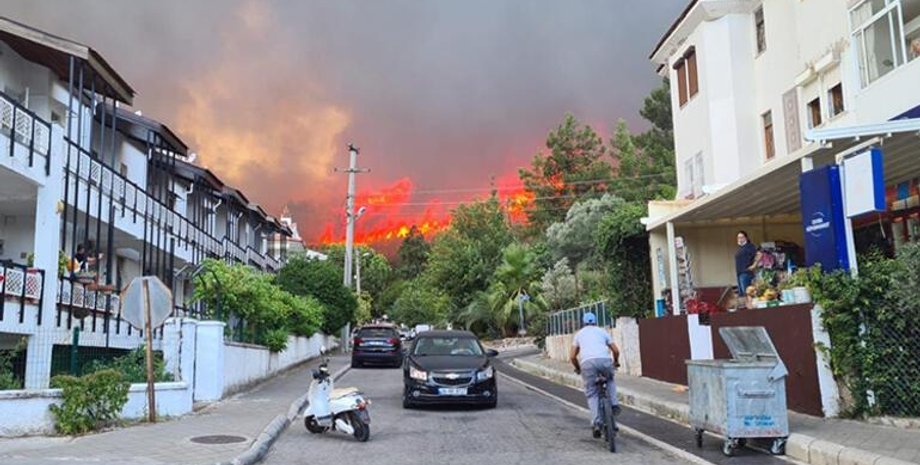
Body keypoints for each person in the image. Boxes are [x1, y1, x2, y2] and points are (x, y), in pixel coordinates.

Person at [570, 312, 620, 438]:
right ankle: (614, 404)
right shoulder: (602, 331)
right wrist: (616, 362)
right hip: (604, 361)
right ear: (595, 321)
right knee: (610, 380)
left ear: (584, 322)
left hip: (587, 364)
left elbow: (572, 356)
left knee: (592, 393)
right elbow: (615, 350)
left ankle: (597, 423)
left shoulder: (579, 334)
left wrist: (577, 368)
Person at [735, 231, 760, 299]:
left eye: (741, 237)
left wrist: (754, 265)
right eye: (738, 237)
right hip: (739, 273)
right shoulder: (740, 248)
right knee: (742, 294)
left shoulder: (750, 246)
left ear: (746, 238)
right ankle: (746, 308)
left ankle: (750, 308)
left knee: (747, 293)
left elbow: (759, 254)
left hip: (746, 273)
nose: (740, 239)